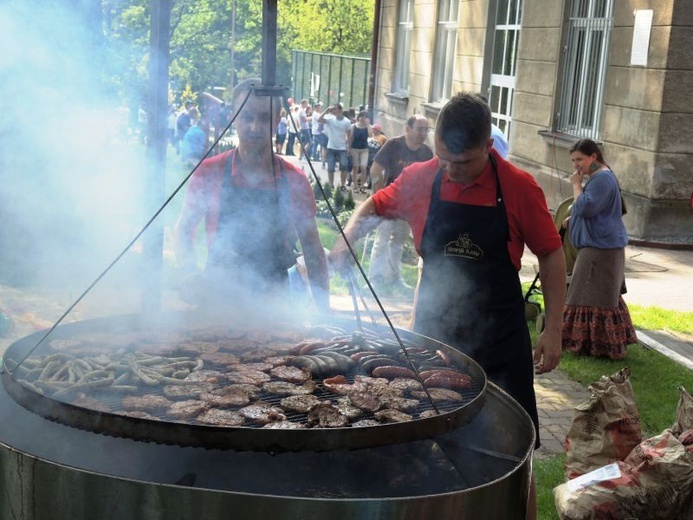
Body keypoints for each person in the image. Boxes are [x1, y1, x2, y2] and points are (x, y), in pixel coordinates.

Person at [329, 92, 566, 520]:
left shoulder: (517, 186)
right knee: (424, 443)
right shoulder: (423, 177)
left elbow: (551, 254)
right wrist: (348, 240)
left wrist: (553, 329)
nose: (452, 171)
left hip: (501, 342)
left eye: (464, 162)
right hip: (434, 339)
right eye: (444, 159)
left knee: (513, 452)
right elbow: (374, 206)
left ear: (488, 147)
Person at [173, 79, 330, 314]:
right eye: (247, 117)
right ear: (233, 118)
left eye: (265, 118)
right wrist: (189, 271)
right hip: (216, 303)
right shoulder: (209, 172)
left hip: (275, 308)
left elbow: (313, 250)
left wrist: (324, 313)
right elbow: (184, 230)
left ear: (278, 121)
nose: (255, 127)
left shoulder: (294, 180)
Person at [561, 139, 637, 360]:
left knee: (585, 294)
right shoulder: (599, 176)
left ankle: (597, 347)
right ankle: (595, 346)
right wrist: (572, 217)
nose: (576, 165)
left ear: (594, 157)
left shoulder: (601, 178)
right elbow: (592, 207)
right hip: (602, 246)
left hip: (600, 249)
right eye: (573, 160)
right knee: (594, 295)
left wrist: (576, 185)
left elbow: (587, 207)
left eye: (580, 159)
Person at [367, 115, 433, 291]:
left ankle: (394, 278)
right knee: (382, 240)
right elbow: (375, 170)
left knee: (398, 242)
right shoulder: (393, 145)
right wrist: (381, 196)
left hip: (409, 207)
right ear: (407, 129)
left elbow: (430, 180)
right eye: (420, 129)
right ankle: (375, 278)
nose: (423, 133)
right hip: (389, 202)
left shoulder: (426, 153)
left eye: (426, 129)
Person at [319, 104, 352, 190]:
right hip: (331, 147)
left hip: (342, 148)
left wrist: (349, 147)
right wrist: (326, 110)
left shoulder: (347, 122)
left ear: (340, 110)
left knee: (343, 167)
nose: (333, 111)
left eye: (335, 109)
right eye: (333, 110)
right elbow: (319, 120)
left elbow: (349, 135)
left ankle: (342, 184)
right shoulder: (330, 119)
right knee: (330, 167)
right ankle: (331, 185)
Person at [349, 110, 371, 193]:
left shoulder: (368, 127)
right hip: (354, 148)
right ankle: (355, 186)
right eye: (362, 116)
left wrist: (368, 124)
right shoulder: (353, 126)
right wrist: (349, 148)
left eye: (365, 117)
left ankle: (362, 186)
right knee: (355, 167)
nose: (363, 118)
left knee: (363, 167)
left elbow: (370, 135)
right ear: (359, 117)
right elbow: (350, 138)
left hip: (364, 149)